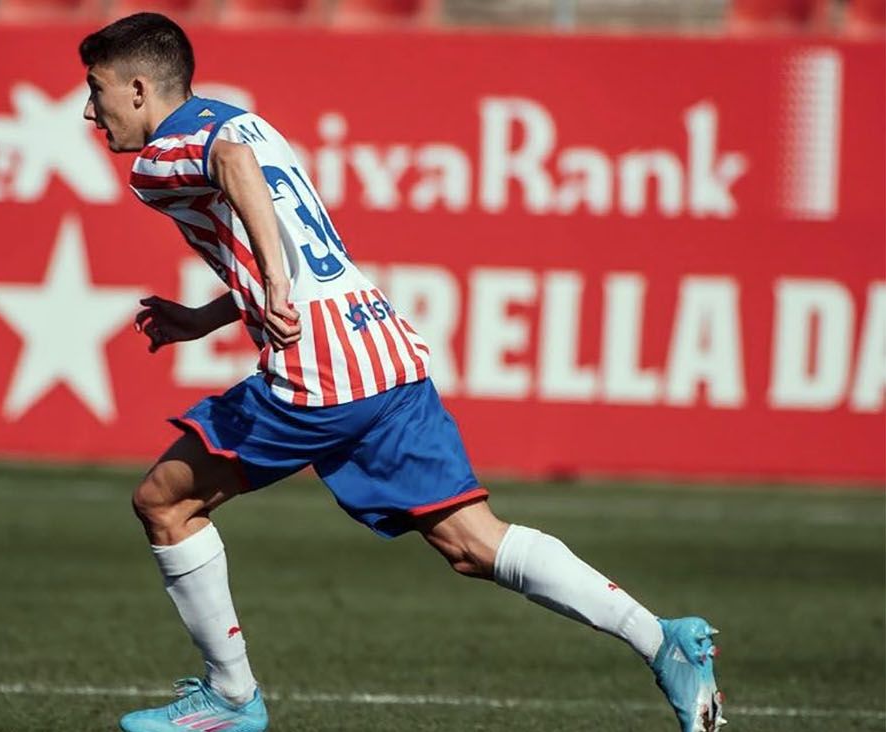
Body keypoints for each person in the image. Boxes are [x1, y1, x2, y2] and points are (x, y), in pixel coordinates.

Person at [78, 13, 725, 732]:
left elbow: (231, 168)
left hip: (317, 375)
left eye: (95, 88)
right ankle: (663, 639)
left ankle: (231, 697)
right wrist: (210, 315)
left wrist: (275, 290)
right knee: (472, 541)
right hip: (379, 345)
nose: (89, 110)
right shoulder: (247, 120)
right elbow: (265, 199)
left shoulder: (159, 160)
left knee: (165, 503)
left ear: (138, 89)